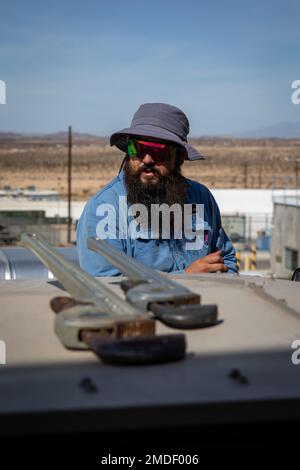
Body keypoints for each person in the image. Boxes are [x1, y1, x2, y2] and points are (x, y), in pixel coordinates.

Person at [77, 103, 238, 276]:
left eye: (158, 151)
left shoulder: (201, 197)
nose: (147, 160)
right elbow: (105, 285)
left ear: (180, 158)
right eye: (137, 149)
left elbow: (226, 259)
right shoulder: (104, 208)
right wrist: (187, 278)